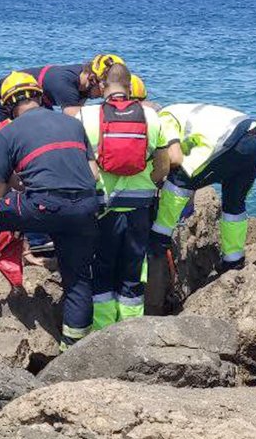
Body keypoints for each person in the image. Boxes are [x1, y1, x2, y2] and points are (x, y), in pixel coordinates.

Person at [0, 71, 99, 350]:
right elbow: (93, 173)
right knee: (77, 278)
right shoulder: (72, 123)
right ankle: (76, 348)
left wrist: (12, 213)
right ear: (40, 97)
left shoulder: (8, 132)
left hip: (44, 205)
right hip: (84, 207)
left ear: (8, 107)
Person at [0, 54, 125, 240]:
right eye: (103, 89)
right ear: (91, 79)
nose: (105, 94)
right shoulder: (65, 84)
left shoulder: (80, 87)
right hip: (1, 111)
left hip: (25, 109)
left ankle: (30, 227)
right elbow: (74, 120)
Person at [73, 64, 169, 330]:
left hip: (102, 209)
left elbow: (77, 164)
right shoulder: (151, 117)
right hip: (139, 208)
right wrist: (149, 182)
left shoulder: (85, 116)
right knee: (133, 270)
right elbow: (163, 166)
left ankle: (103, 330)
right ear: (130, 87)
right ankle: (131, 330)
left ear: (102, 87)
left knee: (101, 270)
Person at [148, 104, 256, 308]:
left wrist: (155, 178)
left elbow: (176, 158)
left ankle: (160, 237)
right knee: (234, 204)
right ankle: (233, 261)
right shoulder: (185, 111)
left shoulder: (164, 118)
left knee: (180, 180)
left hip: (232, 141)